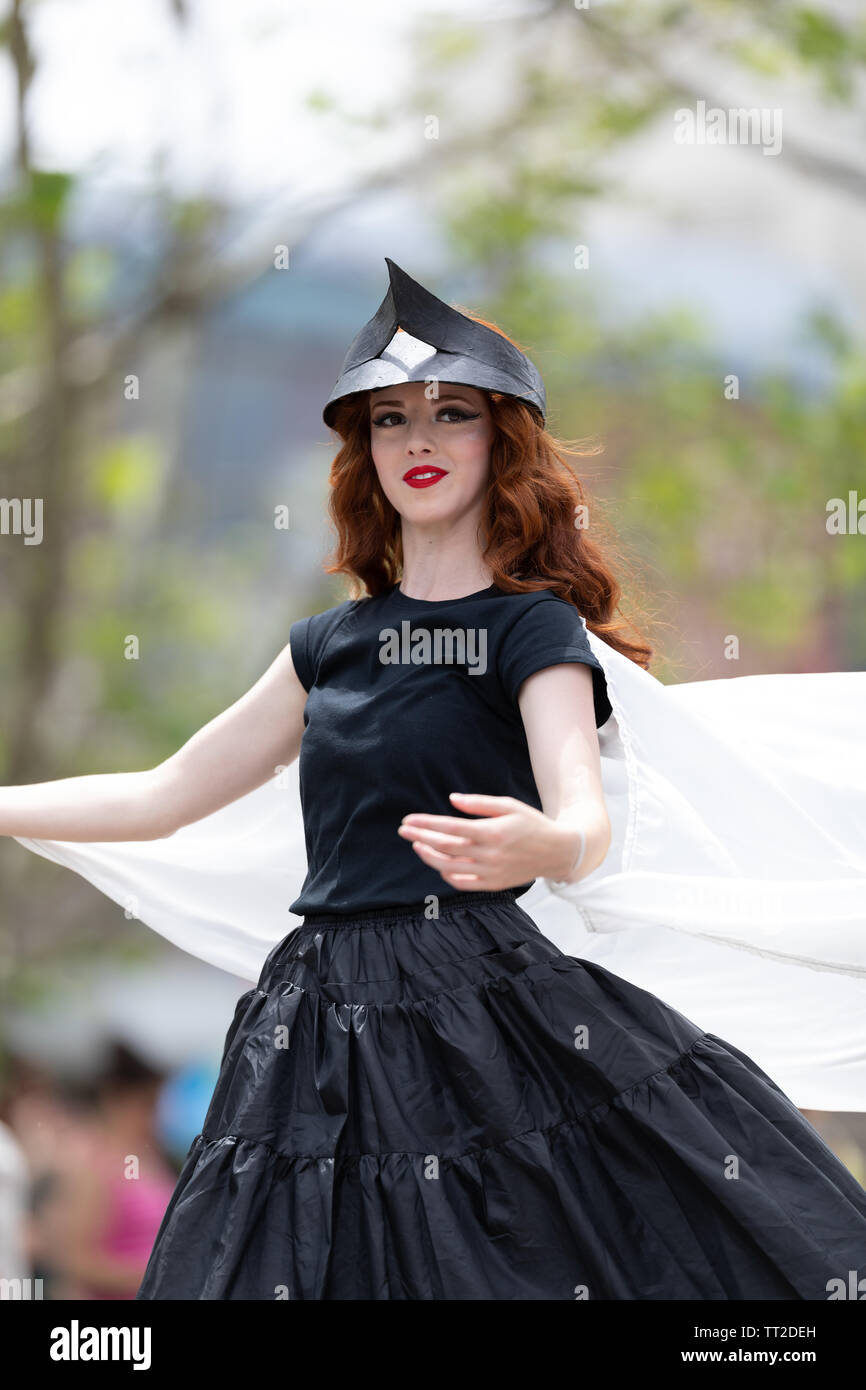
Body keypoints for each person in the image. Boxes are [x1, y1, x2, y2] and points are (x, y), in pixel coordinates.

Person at [3, 258, 866, 1299]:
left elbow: (578, 811)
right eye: (388, 419)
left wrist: (543, 843)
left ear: (499, 441)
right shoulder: (324, 646)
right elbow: (163, 795)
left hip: (482, 1016)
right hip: (311, 1029)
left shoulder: (531, 628)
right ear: (361, 451)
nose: (418, 439)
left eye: (451, 413)